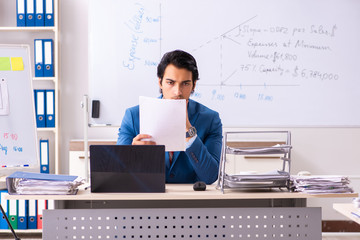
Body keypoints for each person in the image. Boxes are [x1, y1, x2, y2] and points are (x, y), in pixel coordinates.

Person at [117, 50, 222, 184]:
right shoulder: (133, 116)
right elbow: (119, 173)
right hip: (148, 197)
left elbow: (211, 176)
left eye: (185, 83)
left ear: (194, 85)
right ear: (160, 83)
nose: (177, 92)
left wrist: (189, 130)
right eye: (170, 82)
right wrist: (134, 155)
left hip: (191, 200)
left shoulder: (210, 120)